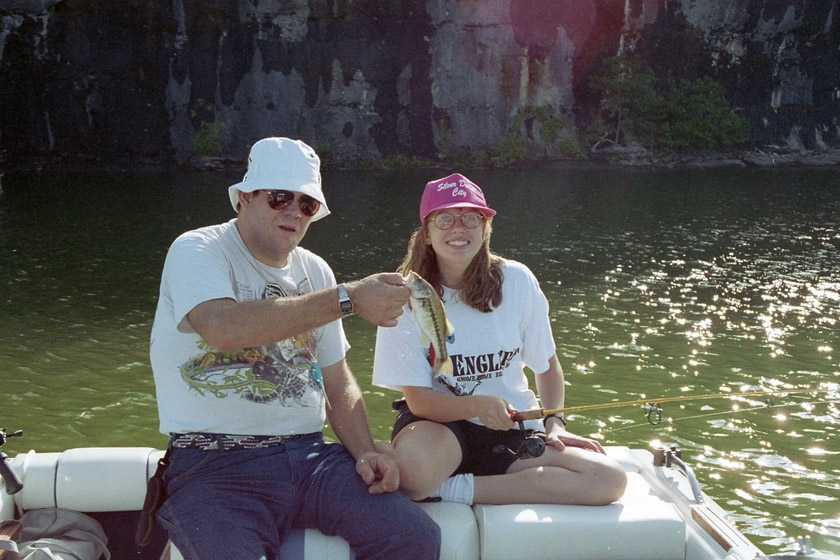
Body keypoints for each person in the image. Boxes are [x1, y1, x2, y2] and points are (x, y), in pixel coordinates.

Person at [149, 137, 441, 560]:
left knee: (413, 536)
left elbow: (337, 379)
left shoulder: (316, 269)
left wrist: (364, 452)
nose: (293, 210)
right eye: (280, 196)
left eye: (306, 204)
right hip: (215, 466)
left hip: (311, 458)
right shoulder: (198, 249)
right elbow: (221, 329)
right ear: (244, 198)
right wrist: (348, 298)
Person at [372, 173, 627, 506]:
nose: (458, 228)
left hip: (512, 428)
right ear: (427, 235)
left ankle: (451, 490)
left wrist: (554, 423)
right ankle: (425, 474)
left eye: (471, 218)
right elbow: (419, 401)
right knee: (412, 475)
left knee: (608, 479)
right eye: (445, 219)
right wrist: (476, 405)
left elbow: (546, 365)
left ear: (485, 228)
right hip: (438, 424)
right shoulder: (406, 296)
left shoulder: (517, 280)